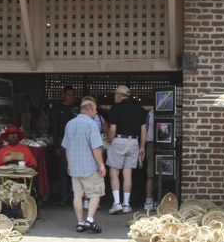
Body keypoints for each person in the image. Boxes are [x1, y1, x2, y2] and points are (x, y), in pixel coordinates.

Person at [61, 97, 107, 233]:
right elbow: (96, 148)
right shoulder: (91, 125)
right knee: (96, 192)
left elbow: (66, 147)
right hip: (90, 167)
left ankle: (80, 222)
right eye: (95, 110)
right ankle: (90, 220)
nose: (96, 113)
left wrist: (69, 164)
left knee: (77, 195)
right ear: (90, 110)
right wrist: (102, 165)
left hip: (74, 167)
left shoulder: (69, 124)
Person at [106, 85, 146, 214]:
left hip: (119, 140)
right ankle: (126, 203)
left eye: (115, 95)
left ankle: (116, 203)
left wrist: (110, 140)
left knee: (114, 172)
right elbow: (143, 129)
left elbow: (112, 128)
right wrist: (142, 146)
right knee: (128, 173)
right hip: (133, 141)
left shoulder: (116, 108)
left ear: (119, 95)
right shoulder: (139, 108)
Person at [49, 85, 79, 206]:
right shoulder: (57, 108)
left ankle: (74, 196)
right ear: (63, 95)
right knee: (63, 170)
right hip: (62, 141)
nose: (71, 97)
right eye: (68, 94)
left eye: (73, 94)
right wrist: (56, 145)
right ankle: (64, 196)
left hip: (76, 142)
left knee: (75, 170)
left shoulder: (76, 108)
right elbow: (55, 127)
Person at [143, 104, 156, 211]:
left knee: (150, 174)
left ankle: (149, 200)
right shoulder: (151, 114)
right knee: (153, 174)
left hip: (151, 144)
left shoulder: (150, 114)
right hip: (156, 144)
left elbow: (145, 130)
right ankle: (153, 199)